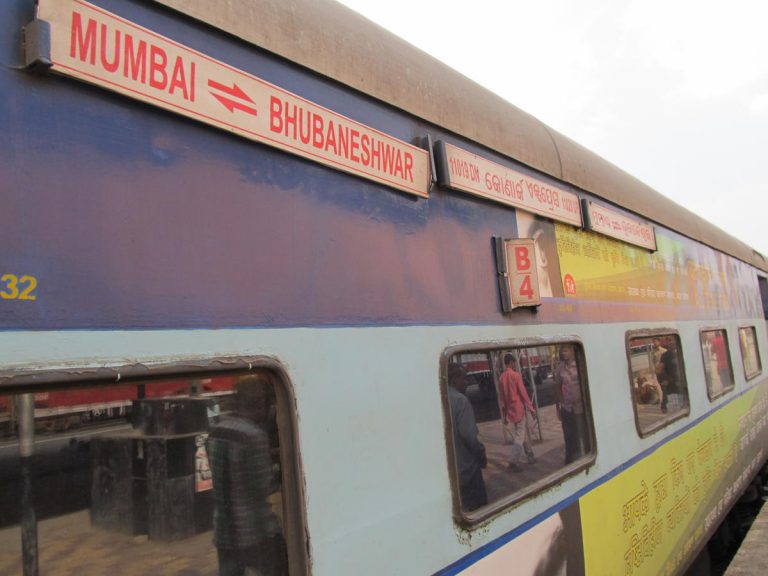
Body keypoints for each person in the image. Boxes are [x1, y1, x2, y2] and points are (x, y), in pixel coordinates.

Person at [207, 376, 287, 576]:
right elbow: (264, 486)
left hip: (223, 529)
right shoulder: (254, 436)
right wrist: (278, 468)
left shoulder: (216, 431)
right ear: (258, 403)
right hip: (255, 530)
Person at [447, 363, 488, 511]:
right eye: (464, 378)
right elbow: (470, 437)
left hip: (452, 474)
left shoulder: (440, 398)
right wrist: (482, 456)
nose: (467, 382)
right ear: (454, 379)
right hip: (468, 471)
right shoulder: (460, 401)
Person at [498, 354, 536, 472]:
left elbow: (502, 400)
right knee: (520, 436)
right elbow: (523, 394)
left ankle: (530, 456)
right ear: (511, 362)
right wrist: (531, 409)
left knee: (521, 432)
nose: (515, 364)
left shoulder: (501, 378)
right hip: (519, 409)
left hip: (510, 411)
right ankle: (513, 461)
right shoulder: (516, 375)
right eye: (514, 362)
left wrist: (504, 416)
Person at [554, 345, 588, 464]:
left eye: (566, 350)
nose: (563, 353)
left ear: (572, 351)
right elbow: (557, 386)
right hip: (567, 409)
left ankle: (585, 459)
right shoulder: (560, 369)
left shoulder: (579, 365)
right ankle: (571, 462)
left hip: (581, 408)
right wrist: (561, 402)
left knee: (583, 435)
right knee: (569, 437)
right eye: (562, 351)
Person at [656, 338, 685, 413]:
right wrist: (665, 380)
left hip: (683, 388)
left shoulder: (681, 352)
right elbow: (659, 370)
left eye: (672, 339)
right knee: (675, 412)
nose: (671, 342)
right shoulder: (665, 355)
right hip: (672, 389)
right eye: (669, 340)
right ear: (666, 342)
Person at [652, 337, 668, 412]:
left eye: (655, 341)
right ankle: (665, 403)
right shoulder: (653, 352)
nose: (654, 343)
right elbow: (653, 362)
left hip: (664, 373)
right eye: (653, 342)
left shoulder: (664, 351)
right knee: (662, 388)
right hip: (658, 374)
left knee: (664, 389)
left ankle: (663, 405)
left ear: (659, 342)